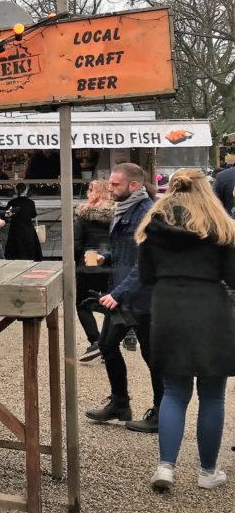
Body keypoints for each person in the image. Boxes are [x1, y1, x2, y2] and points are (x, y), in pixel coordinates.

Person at [135, 168, 235, 490]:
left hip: (168, 308)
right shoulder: (223, 227)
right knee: (212, 395)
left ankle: (165, 467)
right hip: (210, 308)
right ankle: (207, 472)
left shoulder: (153, 225)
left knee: (174, 393)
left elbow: (146, 276)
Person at [85, 163, 163, 433]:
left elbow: (144, 265)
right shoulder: (124, 209)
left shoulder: (147, 214)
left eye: (115, 184)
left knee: (152, 356)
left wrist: (116, 294)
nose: (110, 188)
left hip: (142, 297)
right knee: (106, 345)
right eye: (110, 183)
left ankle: (161, 412)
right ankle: (120, 403)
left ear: (134, 186)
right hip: (122, 292)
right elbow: (126, 253)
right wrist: (106, 257)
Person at [74, 180, 114, 362]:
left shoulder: (84, 213)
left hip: (89, 257)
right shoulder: (117, 212)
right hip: (111, 259)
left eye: (90, 190)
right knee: (110, 302)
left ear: (95, 192)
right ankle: (108, 342)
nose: (87, 193)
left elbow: (77, 242)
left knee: (82, 303)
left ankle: (96, 340)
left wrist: (75, 263)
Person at [3, 183, 43, 261]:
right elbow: (33, 215)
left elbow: (6, 213)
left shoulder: (12, 202)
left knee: (15, 249)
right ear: (25, 191)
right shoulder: (30, 202)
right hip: (28, 228)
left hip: (15, 229)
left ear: (16, 190)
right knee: (29, 249)